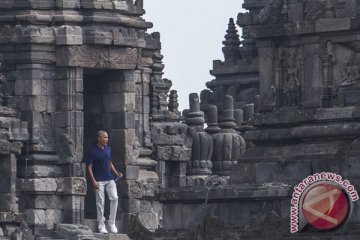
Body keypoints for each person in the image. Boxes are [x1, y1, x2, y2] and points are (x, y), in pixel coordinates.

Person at [86, 130, 123, 234]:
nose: (107, 139)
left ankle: (111, 222)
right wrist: (93, 181)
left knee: (115, 198)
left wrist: (116, 173)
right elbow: (89, 166)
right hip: (98, 180)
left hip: (109, 178)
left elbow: (109, 162)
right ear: (99, 138)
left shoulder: (108, 149)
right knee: (100, 203)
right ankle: (101, 225)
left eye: (107, 137)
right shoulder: (92, 150)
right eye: (104, 137)